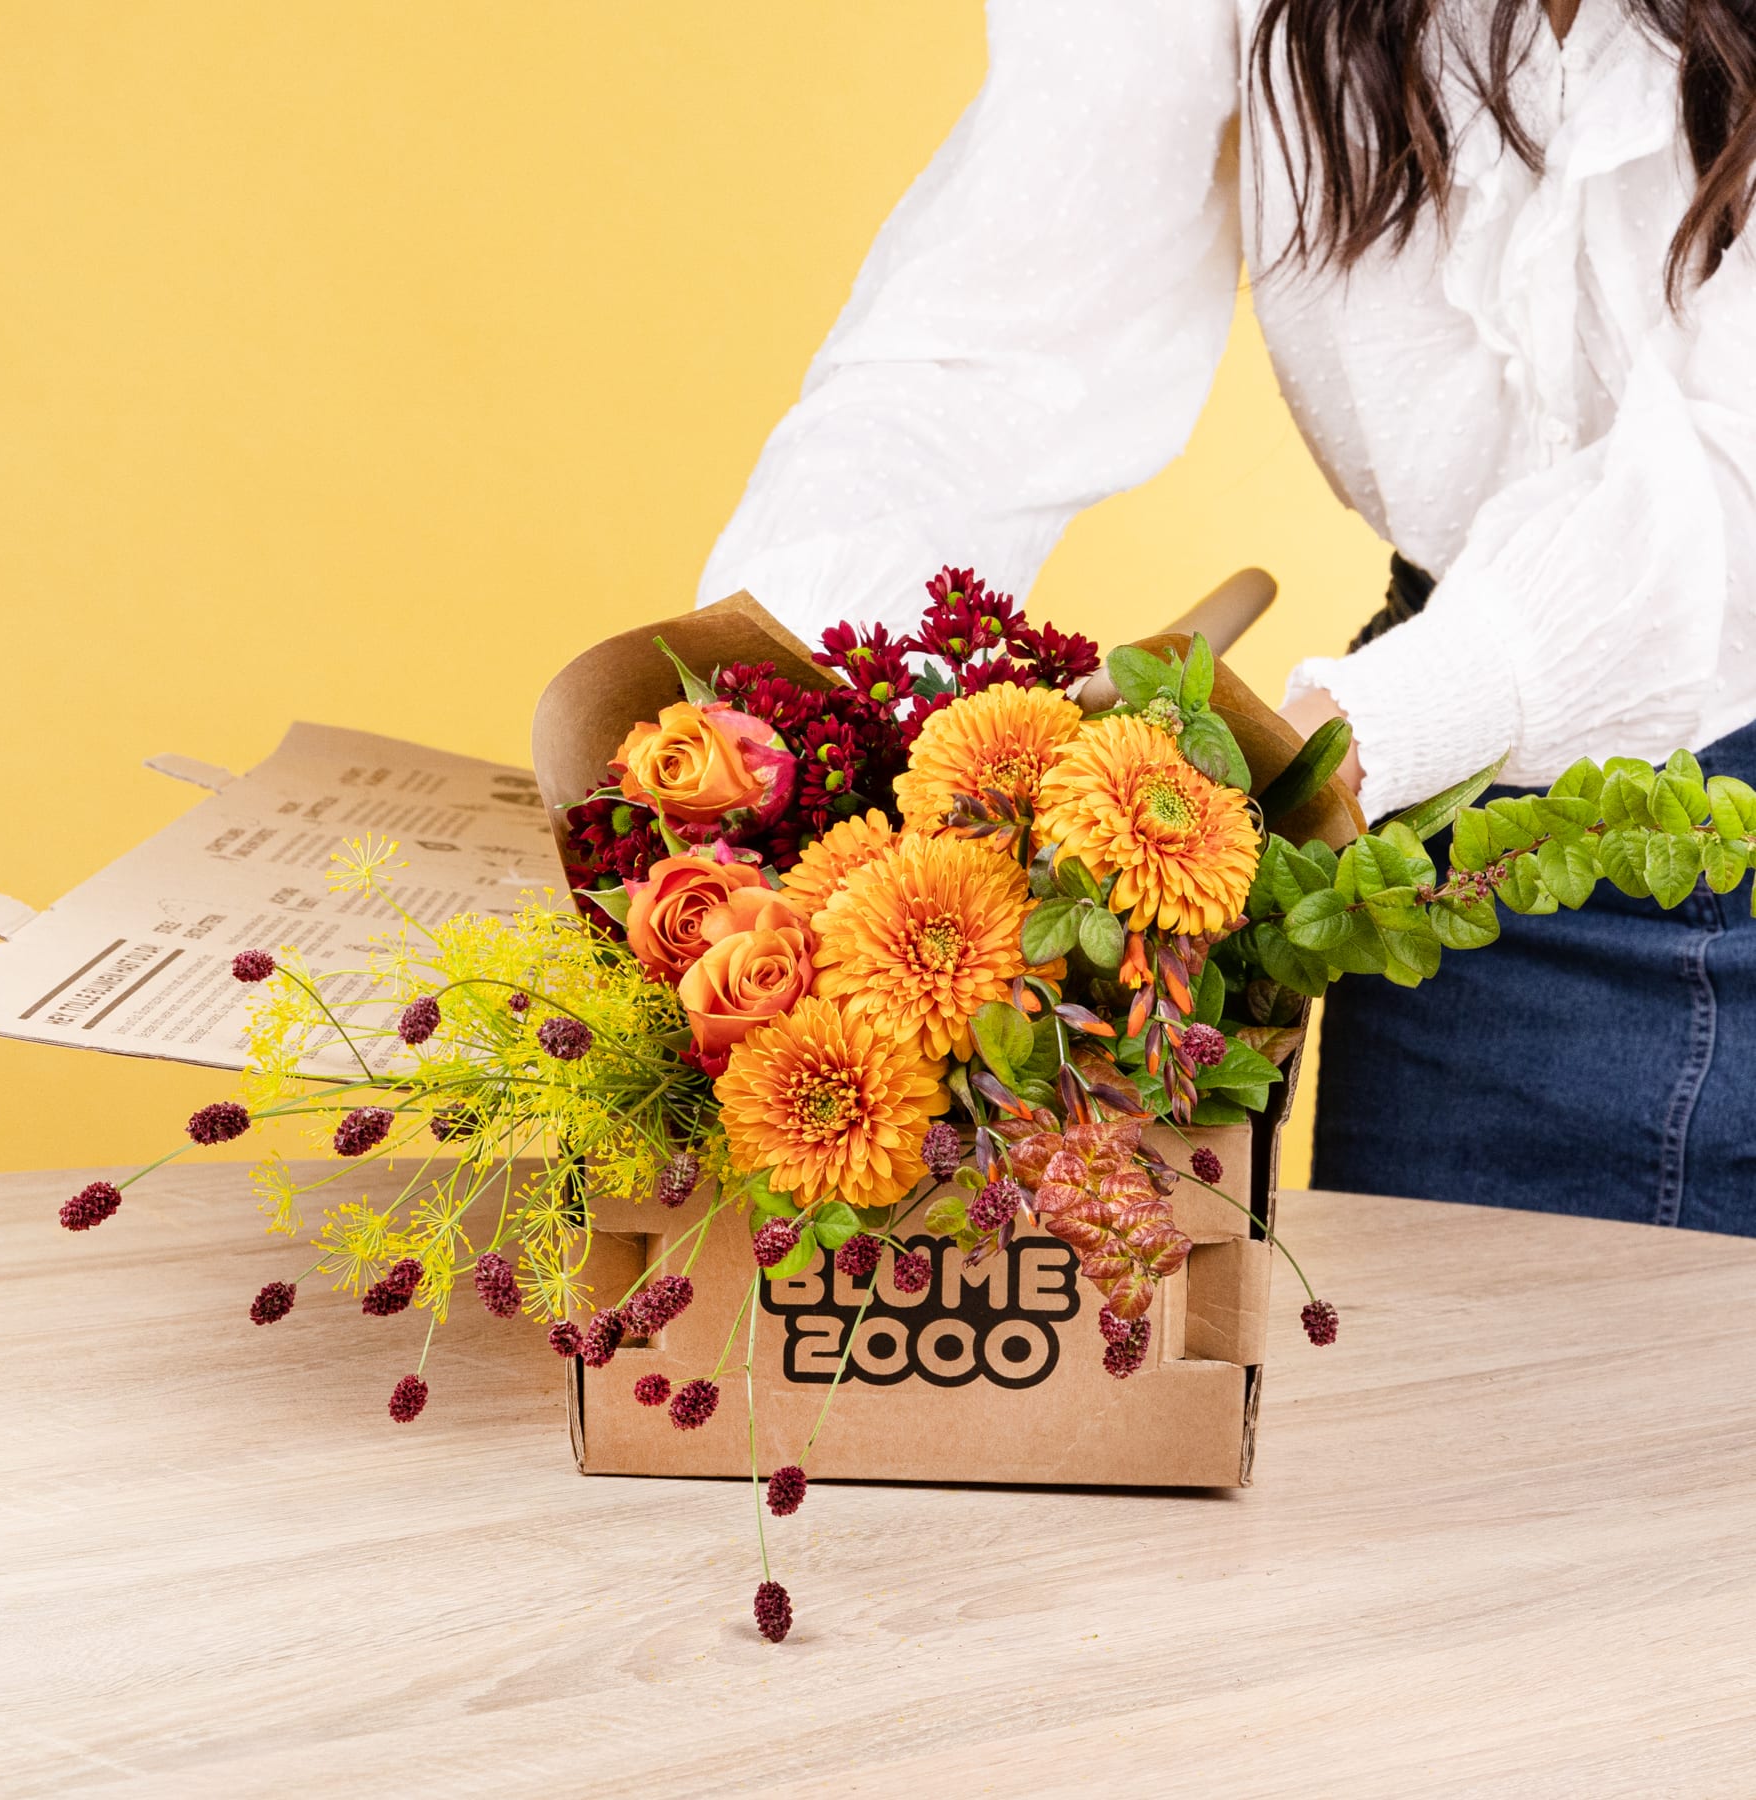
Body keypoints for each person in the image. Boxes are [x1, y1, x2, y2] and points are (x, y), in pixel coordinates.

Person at [696, 1, 1756, 1236]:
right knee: (1427, 1396)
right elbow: (996, 341)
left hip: (1498, 733)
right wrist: (768, 733)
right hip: (1463, 849)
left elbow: (1729, 485)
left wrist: (1329, 737)